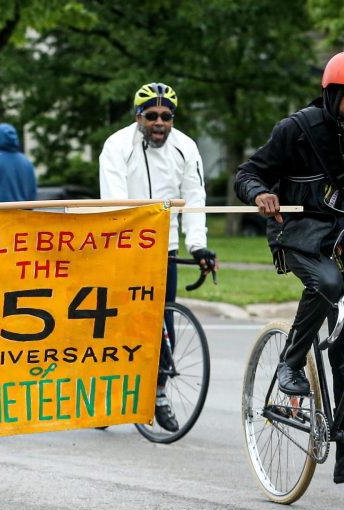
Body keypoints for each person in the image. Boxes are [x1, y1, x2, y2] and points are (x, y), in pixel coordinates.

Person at [234, 51, 344, 484]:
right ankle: (290, 363)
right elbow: (249, 172)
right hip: (298, 234)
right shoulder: (297, 129)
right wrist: (259, 194)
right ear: (331, 96)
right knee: (327, 283)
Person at [98, 82, 215, 432]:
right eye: (152, 116)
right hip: (124, 246)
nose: (160, 122)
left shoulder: (185, 148)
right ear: (138, 117)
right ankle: (108, 394)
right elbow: (114, 201)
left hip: (164, 246)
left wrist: (198, 246)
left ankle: (159, 391)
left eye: (166, 116)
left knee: (164, 323)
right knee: (119, 325)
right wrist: (128, 240)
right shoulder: (118, 146)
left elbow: (194, 199)